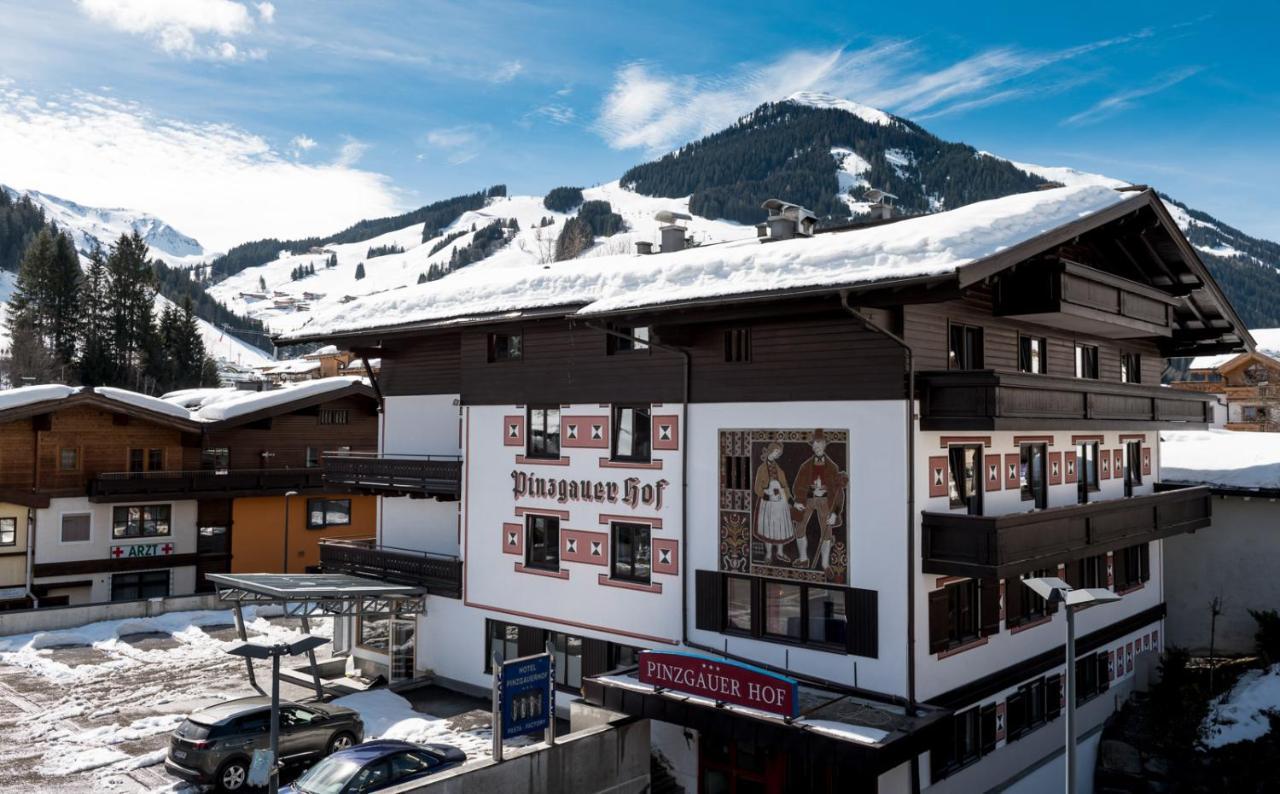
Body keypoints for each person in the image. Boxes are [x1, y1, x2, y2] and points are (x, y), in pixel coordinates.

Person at [790, 429, 847, 571]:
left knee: (827, 531)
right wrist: (800, 499)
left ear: (825, 445)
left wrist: (835, 513)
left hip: (825, 501)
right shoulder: (805, 466)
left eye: (820, 443)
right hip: (808, 499)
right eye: (815, 444)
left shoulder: (833, 468)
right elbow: (797, 486)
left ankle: (825, 564)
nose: (817, 446)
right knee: (799, 527)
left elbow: (839, 493)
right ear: (812, 446)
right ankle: (803, 559)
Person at [752, 441, 794, 564]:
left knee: (780, 527)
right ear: (771, 451)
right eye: (776, 451)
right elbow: (757, 488)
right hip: (767, 502)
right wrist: (768, 496)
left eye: (779, 453)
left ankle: (780, 552)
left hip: (780, 502)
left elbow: (785, 486)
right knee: (768, 527)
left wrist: (790, 500)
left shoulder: (779, 470)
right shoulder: (761, 468)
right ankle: (769, 554)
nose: (777, 454)